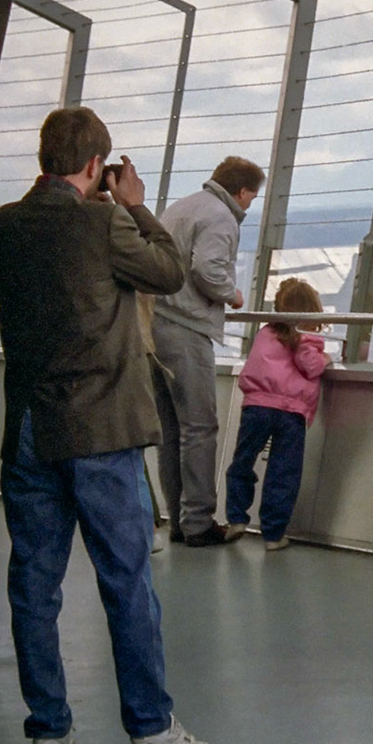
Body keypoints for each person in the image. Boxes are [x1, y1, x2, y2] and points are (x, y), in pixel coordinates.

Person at [0, 106, 212, 744]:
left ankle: (48, 729)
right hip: (101, 428)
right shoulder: (106, 221)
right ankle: (149, 729)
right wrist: (134, 206)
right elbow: (168, 271)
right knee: (127, 581)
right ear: (93, 166)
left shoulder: (0, 228)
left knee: (34, 584)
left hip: (28, 425)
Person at [152, 155, 266, 547]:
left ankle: (179, 520)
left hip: (154, 326)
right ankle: (199, 522)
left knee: (171, 430)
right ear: (242, 191)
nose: (249, 206)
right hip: (185, 328)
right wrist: (231, 295)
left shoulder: (181, 207)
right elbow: (207, 269)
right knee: (199, 427)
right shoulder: (220, 216)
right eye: (252, 198)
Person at [223, 277, 331, 551]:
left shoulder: (264, 333)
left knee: (243, 461)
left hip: (257, 406)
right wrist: (326, 358)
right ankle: (273, 533)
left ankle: (236, 518)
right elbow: (311, 367)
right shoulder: (306, 339)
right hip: (291, 413)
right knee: (283, 471)